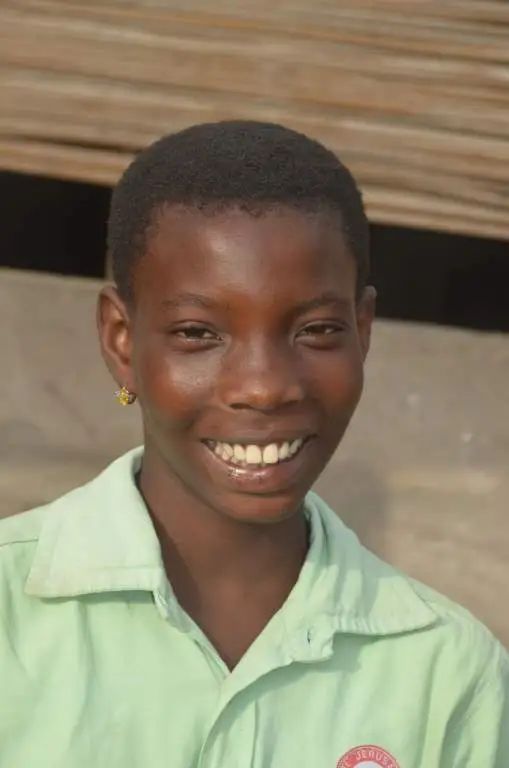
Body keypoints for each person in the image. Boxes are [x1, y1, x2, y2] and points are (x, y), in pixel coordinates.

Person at [0, 121, 507, 768]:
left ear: (362, 332)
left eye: (316, 330)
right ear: (122, 342)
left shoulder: (447, 674)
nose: (264, 388)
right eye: (197, 333)